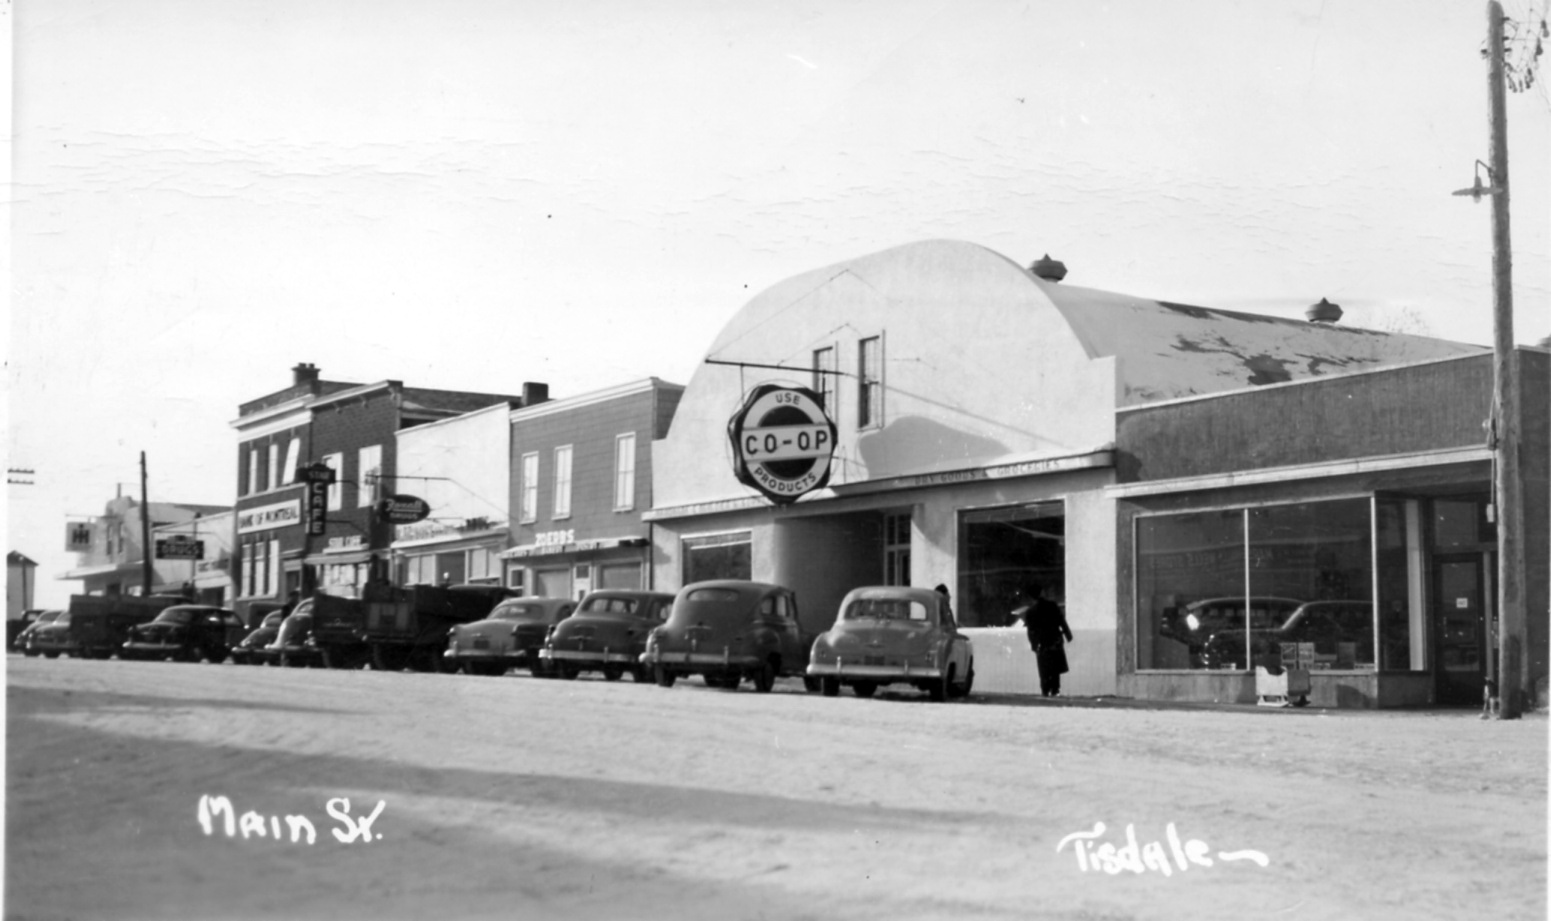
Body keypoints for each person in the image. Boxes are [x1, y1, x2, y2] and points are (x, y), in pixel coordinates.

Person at [1023, 581, 1073, 697]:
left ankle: (1045, 690)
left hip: (1042, 644)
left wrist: (1034, 645)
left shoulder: (1030, 612)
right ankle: (1055, 689)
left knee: (1044, 669)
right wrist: (1068, 635)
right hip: (1054, 640)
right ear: (1041, 593)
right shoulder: (1052, 606)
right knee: (1055, 668)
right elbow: (1061, 621)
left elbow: (1030, 631)